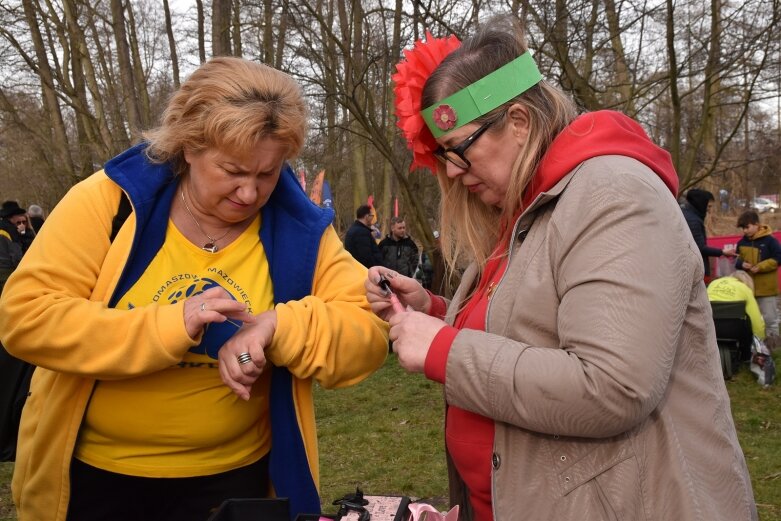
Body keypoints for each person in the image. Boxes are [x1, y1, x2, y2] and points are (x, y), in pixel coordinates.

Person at [367, 20, 757, 521]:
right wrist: (435, 312)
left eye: (460, 151)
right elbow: (534, 325)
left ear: (519, 122)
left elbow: (613, 386)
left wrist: (444, 348)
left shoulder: (613, 194)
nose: (453, 173)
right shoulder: (530, 207)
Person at [0, 56, 388, 521]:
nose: (249, 193)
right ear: (187, 147)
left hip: (234, 481)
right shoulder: (110, 202)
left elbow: (366, 333)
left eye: (266, 174)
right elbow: (26, 316)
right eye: (232, 171)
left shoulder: (300, 227)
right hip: (95, 480)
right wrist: (172, 325)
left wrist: (275, 327)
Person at [735, 210, 781, 345]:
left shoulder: (770, 241)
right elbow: (736, 261)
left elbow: (779, 258)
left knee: (770, 320)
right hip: (747, 290)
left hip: (767, 290)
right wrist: (741, 264)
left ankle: (773, 351)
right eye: (742, 228)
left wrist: (760, 267)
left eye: (747, 227)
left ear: (757, 224)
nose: (744, 231)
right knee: (749, 320)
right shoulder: (741, 243)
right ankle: (753, 349)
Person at [681, 188, 736, 282]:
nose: (710, 210)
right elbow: (700, 248)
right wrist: (722, 252)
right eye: (709, 206)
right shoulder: (693, 221)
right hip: (696, 271)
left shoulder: (685, 215)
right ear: (701, 203)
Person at [708, 270, 766, 340]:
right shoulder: (745, 288)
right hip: (734, 330)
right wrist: (760, 337)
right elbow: (755, 318)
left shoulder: (713, 283)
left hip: (708, 327)